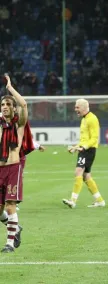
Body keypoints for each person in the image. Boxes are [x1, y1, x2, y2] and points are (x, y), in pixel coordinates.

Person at [0, 74, 29, 253]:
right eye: (2, 104)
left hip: (13, 168)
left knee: (10, 205)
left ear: (13, 108)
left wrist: (10, 89)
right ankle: (15, 228)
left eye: (8, 104)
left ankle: (9, 244)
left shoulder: (19, 125)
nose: (5, 107)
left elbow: (24, 104)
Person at [62, 98, 105, 208]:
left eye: (77, 107)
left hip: (88, 150)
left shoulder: (92, 119)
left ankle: (73, 200)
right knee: (86, 176)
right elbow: (84, 139)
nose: (75, 109)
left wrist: (83, 148)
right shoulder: (84, 119)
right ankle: (100, 200)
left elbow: (94, 138)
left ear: (84, 108)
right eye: (75, 107)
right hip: (84, 149)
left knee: (78, 172)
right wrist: (75, 147)